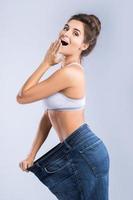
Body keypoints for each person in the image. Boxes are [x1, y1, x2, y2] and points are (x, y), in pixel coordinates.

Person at [16, 13, 110, 200]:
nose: (66, 33)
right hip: (73, 149)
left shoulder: (70, 74)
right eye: (66, 28)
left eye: (76, 33)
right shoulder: (63, 71)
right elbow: (49, 115)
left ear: (84, 45)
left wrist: (46, 63)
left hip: (85, 149)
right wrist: (31, 155)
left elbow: (23, 96)